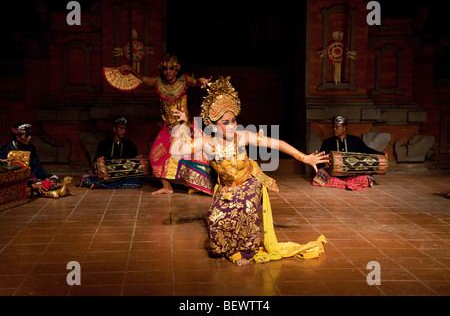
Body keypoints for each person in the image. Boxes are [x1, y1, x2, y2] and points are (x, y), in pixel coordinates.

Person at [170, 76, 329, 266]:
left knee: (243, 209)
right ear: (213, 125)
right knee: (214, 218)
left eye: (233, 121)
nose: (231, 126)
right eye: (225, 122)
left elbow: (276, 143)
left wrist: (304, 157)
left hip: (249, 182)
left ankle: (245, 252)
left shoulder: (243, 137)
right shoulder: (207, 143)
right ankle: (227, 250)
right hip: (226, 188)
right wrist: (181, 125)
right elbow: (175, 151)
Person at [120, 54, 213, 195]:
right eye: (165, 69)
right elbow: (144, 79)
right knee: (154, 156)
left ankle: (196, 185)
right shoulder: (159, 83)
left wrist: (202, 81)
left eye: (171, 68)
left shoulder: (184, 81)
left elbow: (196, 82)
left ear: (176, 70)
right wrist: (132, 70)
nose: (168, 72)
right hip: (168, 128)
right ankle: (167, 186)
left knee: (191, 157)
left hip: (184, 126)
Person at [312, 116, 388, 191]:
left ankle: (341, 184)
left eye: (337, 127)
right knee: (320, 174)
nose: (334, 129)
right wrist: (325, 163)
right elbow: (319, 160)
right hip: (333, 174)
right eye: (333, 127)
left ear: (344, 128)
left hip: (351, 174)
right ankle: (346, 184)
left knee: (365, 177)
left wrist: (381, 154)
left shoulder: (355, 140)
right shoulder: (327, 142)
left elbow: (366, 150)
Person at [80, 117, 142, 189]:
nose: (124, 131)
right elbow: (95, 161)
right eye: (121, 128)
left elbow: (135, 164)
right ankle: (106, 184)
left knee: (135, 181)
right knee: (88, 179)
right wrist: (97, 168)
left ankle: (101, 185)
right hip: (107, 174)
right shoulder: (103, 145)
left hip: (124, 176)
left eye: (125, 129)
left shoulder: (131, 146)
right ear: (114, 129)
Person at [0, 122, 60, 195]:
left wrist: (46, 179)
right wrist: (31, 184)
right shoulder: (5, 151)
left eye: (30, 135)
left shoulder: (30, 148)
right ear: (18, 138)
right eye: (26, 136)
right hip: (17, 181)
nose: (30, 137)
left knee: (54, 180)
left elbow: (37, 167)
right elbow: (9, 175)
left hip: (30, 177)